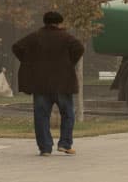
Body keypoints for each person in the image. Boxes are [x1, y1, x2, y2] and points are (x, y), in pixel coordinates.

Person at [13, 11, 85, 156]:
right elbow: (79, 48)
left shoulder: (35, 36)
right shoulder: (66, 37)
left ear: (45, 22)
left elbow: (17, 47)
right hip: (63, 83)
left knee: (41, 116)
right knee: (68, 114)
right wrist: (69, 63)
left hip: (41, 84)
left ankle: (45, 148)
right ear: (59, 23)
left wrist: (29, 61)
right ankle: (65, 144)